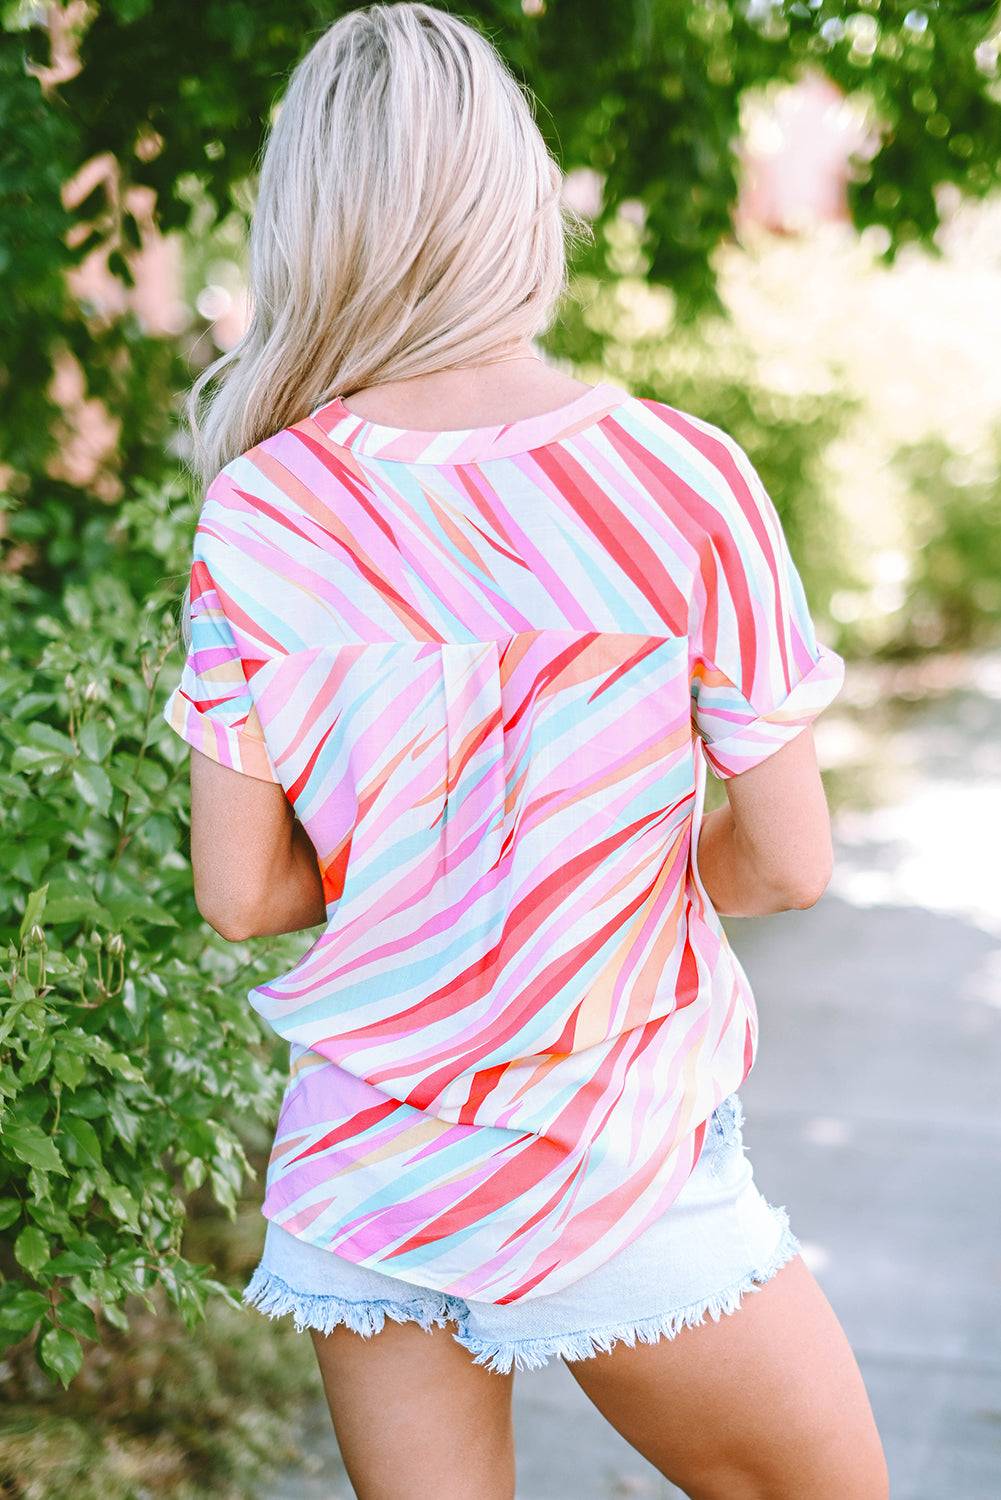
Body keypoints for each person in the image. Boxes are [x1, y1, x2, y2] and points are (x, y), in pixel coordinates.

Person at [162, 5, 889, 1497]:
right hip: (606, 1151)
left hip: (367, 1172)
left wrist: (426, 878)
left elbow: (240, 895)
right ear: (512, 198)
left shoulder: (259, 514)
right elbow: (790, 862)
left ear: (310, 217)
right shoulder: (680, 481)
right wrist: (591, 876)